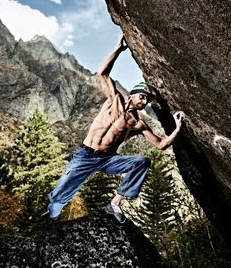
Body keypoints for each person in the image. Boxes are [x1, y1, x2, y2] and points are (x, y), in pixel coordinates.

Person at [47, 34, 185, 223]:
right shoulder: (114, 99)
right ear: (134, 95)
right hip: (85, 155)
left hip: (107, 159)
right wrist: (118, 49)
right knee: (61, 192)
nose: (144, 102)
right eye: (142, 97)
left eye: (147, 100)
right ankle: (51, 219)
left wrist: (177, 128)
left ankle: (115, 203)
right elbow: (103, 73)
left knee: (141, 162)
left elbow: (161, 144)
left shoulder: (137, 123)